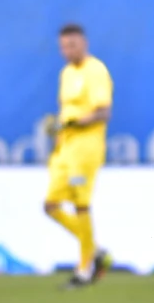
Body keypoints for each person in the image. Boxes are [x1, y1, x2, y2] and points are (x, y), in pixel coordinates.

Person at [44, 24, 113, 289]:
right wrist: (60, 133)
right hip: (65, 149)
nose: (67, 50)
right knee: (50, 206)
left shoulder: (95, 70)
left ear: (83, 43)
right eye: (63, 46)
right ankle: (96, 252)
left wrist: (71, 123)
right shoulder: (66, 72)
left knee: (80, 206)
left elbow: (103, 112)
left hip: (86, 148)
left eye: (71, 45)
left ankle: (84, 270)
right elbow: (66, 113)